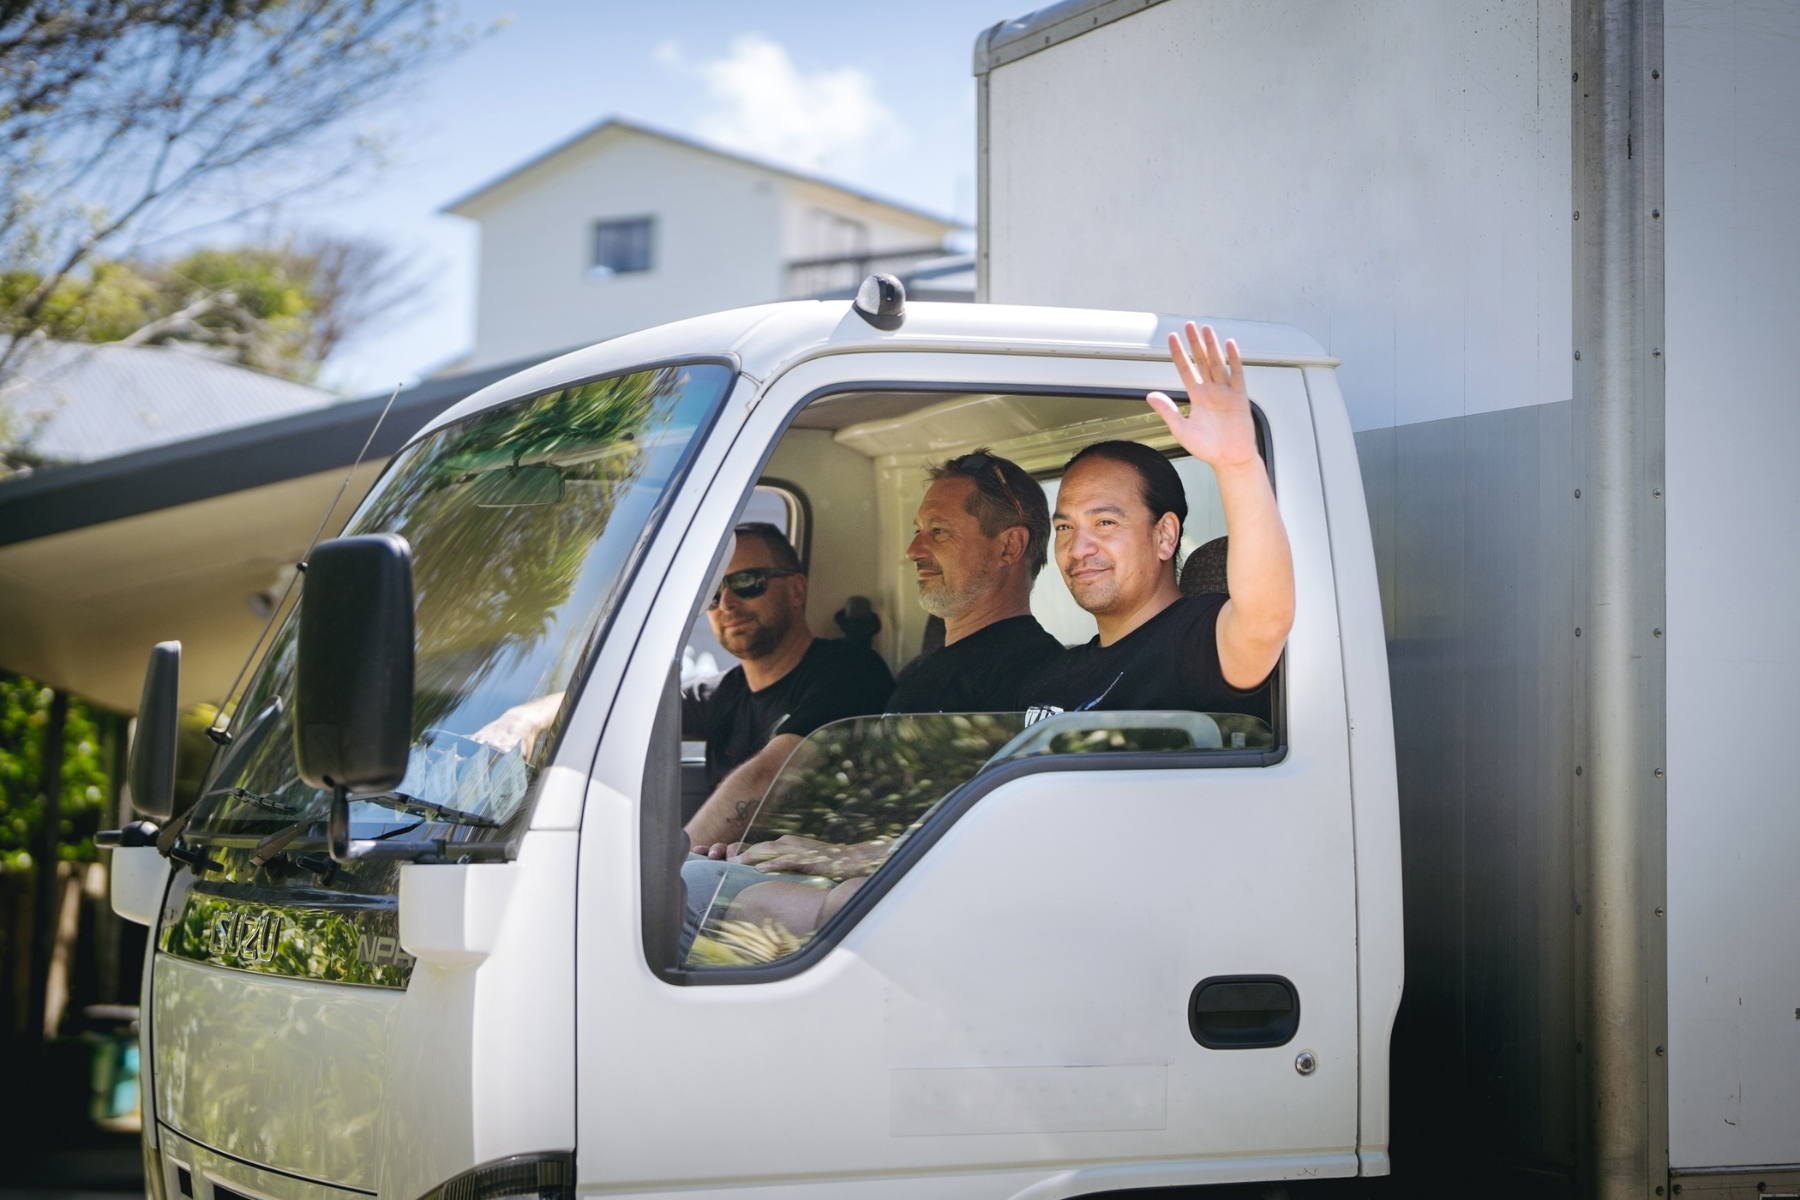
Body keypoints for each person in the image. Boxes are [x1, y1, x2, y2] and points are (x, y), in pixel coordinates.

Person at [1019, 322, 1293, 716]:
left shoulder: (1194, 643)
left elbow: (1266, 622)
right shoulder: (1046, 680)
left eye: (1105, 523)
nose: (1077, 548)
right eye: (1065, 527)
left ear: (1165, 535)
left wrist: (1237, 465)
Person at [682, 522, 893, 850]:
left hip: (827, 884)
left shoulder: (851, 672)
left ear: (796, 590)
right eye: (711, 593)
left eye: (747, 582)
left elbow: (764, 779)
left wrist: (671, 868)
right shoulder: (723, 693)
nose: (726, 603)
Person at [887, 449, 1062, 713]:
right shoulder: (927, 668)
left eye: (938, 531)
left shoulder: (1033, 678)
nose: (912, 551)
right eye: (917, 531)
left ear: (1010, 547)